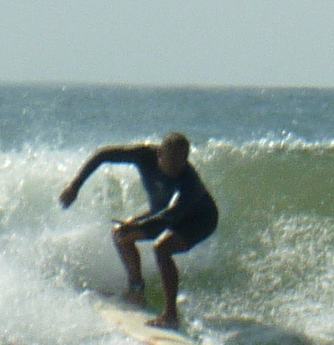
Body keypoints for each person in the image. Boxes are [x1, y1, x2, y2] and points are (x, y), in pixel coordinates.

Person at [59, 132, 218, 328]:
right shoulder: (143, 155)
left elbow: (166, 220)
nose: (176, 169)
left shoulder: (189, 183)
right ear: (159, 153)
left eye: (181, 162)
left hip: (199, 219)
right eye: (172, 162)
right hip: (162, 213)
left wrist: (138, 226)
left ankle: (170, 316)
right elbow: (102, 155)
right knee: (121, 234)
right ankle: (136, 292)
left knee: (162, 248)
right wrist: (75, 186)